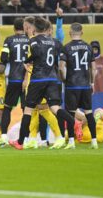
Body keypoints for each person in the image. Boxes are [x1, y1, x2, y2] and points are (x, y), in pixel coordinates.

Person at [9, 17, 74, 150]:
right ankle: (74, 122)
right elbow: (59, 55)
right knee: (54, 107)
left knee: (28, 110)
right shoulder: (54, 42)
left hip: (38, 78)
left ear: (34, 29)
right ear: (45, 28)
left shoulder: (33, 40)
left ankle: (21, 141)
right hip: (52, 78)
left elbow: (37, 52)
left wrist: (27, 60)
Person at [59, 23, 97, 149]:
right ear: (82, 32)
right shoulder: (88, 47)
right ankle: (94, 141)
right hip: (85, 85)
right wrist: (92, 83)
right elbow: (93, 68)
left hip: (72, 86)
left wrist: (64, 79)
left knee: (70, 114)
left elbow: (61, 67)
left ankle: (71, 142)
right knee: (89, 113)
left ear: (70, 33)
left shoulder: (66, 47)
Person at [0, 18, 29, 147]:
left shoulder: (9, 40)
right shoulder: (30, 40)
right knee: (27, 109)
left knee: (7, 108)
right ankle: (26, 138)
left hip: (14, 78)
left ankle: (4, 136)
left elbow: (3, 58)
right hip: (27, 79)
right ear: (25, 27)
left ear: (14, 28)